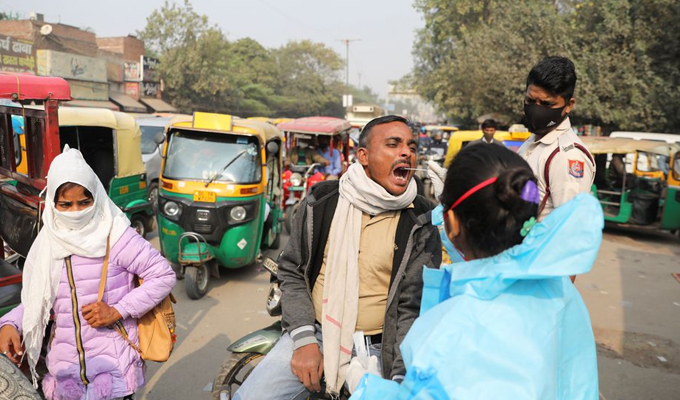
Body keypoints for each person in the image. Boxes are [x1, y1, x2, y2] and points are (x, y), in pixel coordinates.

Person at [352, 143, 602, 400]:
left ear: (452, 223)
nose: (404, 152)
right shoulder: (557, 287)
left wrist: (368, 389)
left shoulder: (458, 328)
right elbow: (490, 267)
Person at [234, 115, 441, 399]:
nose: (407, 152)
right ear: (364, 156)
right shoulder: (322, 202)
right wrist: (304, 340)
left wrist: (400, 374)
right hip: (318, 332)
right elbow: (292, 271)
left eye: (411, 146)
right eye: (393, 144)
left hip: (385, 345)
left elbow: (413, 307)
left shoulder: (422, 219)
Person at [0, 148, 176, 400]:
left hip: (112, 372)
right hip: (65, 372)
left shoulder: (115, 235)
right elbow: (39, 299)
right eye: (65, 204)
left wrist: (118, 310)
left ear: (97, 196)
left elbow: (163, 276)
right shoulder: (49, 242)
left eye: (84, 202)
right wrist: (10, 323)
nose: (76, 211)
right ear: (52, 203)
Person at [517, 56, 595, 220]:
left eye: (547, 104)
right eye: (530, 101)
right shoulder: (532, 142)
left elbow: (569, 228)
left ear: (569, 105)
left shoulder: (566, 156)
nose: (536, 110)